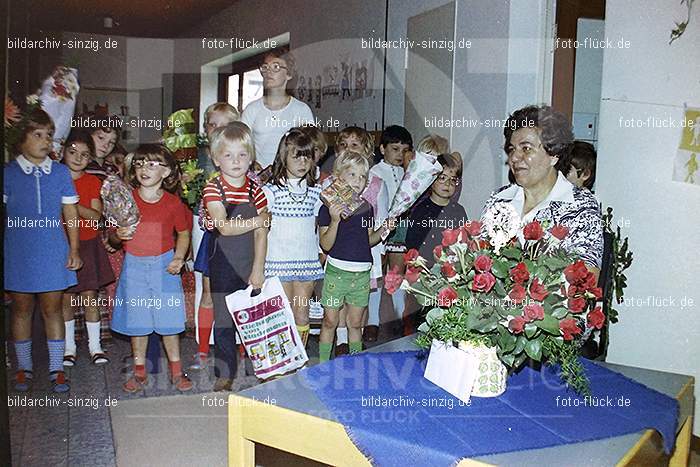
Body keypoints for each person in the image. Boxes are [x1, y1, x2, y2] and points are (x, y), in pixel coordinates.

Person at [5, 108, 83, 393]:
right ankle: (23, 368)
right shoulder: (9, 173)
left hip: (52, 251)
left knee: (53, 309)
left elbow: (71, 213)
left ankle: (57, 368)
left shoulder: (60, 172)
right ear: (20, 139)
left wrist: (74, 249)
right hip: (19, 253)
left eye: (48, 135)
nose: (45, 141)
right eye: (37, 135)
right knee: (21, 310)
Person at [109, 144, 193, 393]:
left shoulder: (173, 203)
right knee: (138, 323)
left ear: (167, 172)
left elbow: (184, 233)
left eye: (153, 164)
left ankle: (177, 372)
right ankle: (139, 372)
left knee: (168, 322)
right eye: (140, 163)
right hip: (134, 266)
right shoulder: (127, 199)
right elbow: (114, 239)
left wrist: (179, 257)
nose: (144, 168)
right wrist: (118, 234)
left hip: (164, 266)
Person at [482, 105, 603, 273]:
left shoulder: (580, 207)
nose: (514, 157)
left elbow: (585, 280)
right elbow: (479, 262)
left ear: (554, 154)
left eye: (526, 148)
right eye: (512, 149)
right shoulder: (499, 200)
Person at [202, 123, 269, 391]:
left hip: (249, 261)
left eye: (242, 155)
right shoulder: (213, 188)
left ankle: (261, 366)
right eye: (228, 155)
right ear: (217, 159)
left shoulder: (256, 190)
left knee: (254, 317)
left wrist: (258, 269)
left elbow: (262, 235)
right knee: (224, 319)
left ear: (251, 157)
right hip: (221, 263)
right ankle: (225, 373)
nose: (236, 161)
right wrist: (258, 221)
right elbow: (224, 226)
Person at [318, 151, 396, 362]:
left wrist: (384, 230)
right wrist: (335, 220)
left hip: (361, 274)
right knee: (330, 321)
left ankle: (355, 364)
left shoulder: (367, 208)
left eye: (363, 177)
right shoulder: (328, 207)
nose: (358, 181)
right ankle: (322, 366)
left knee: (355, 324)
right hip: (337, 273)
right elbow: (324, 244)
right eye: (352, 174)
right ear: (338, 176)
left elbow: (368, 239)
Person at [189, 102, 240, 371]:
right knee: (207, 291)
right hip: (211, 236)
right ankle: (202, 347)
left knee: (239, 295)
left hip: (238, 241)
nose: (217, 130)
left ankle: (242, 346)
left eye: (224, 125)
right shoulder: (199, 160)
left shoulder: (242, 163)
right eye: (212, 125)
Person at [263, 128, 324, 348]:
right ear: (283, 157)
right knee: (283, 311)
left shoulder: (316, 193)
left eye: (306, 156)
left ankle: (299, 354)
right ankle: (283, 355)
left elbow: (321, 227)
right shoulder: (270, 191)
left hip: (306, 262)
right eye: (296, 156)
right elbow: (260, 229)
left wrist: (322, 252)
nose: (302, 162)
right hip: (278, 261)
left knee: (302, 312)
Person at [61, 131, 115, 367]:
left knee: (90, 296)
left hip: (88, 243)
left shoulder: (92, 182)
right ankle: (68, 347)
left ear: (90, 157)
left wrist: (71, 203)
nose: (78, 158)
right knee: (66, 298)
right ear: (63, 151)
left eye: (84, 155)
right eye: (73, 152)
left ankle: (95, 347)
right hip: (61, 244)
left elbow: (97, 217)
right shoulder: (55, 178)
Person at [368, 125, 413, 339]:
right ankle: (372, 322)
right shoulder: (374, 173)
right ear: (382, 148)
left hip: (400, 226)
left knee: (396, 272)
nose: (400, 155)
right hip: (378, 226)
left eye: (405, 150)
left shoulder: (409, 172)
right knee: (377, 273)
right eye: (395, 149)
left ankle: (398, 316)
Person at [241, 50, 314, 168]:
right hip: (258, 177)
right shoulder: (251, 109)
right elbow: (241, 144)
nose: (269, 71)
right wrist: (252, 162)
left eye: (276, 67)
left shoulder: (302, 110)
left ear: (289, 74)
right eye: (265, 67)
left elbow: (309, 147)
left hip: (290, 177)